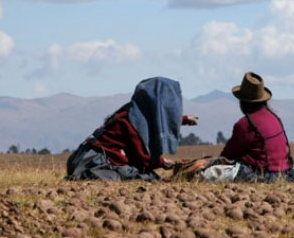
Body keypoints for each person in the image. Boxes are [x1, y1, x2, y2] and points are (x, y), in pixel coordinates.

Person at [66, 76, 198, 181]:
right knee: (149, 178)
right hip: (93, 163)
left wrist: (184, 119)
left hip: (81, 157)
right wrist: (162, 163)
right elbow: (142, 158)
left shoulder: (134, 112)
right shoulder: (132, 123)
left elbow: (155, 119)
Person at [213, 71, 294, 183]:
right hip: (283, 171)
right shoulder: (274, 118)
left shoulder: (245, 124)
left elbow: (229, 154)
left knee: (211, 172)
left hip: (261, 174)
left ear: (243, 101)